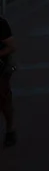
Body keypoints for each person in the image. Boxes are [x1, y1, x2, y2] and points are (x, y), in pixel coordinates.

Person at [0, 16, 17, 147]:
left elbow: (11, 46)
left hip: (1, 67)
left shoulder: (0, 23)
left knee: (3, 100)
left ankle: (10, 129)